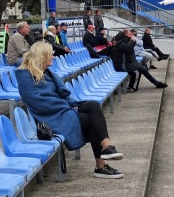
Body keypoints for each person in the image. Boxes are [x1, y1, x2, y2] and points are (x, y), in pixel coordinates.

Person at [16, 42, 124, 179]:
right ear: (42, 56)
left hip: (62, 109)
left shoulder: (46, 71)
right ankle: (101, 165)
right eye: (51, 54)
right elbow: (39, 103)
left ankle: (106, 146)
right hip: (51, 118)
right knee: (90, 120)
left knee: (93, 106)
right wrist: (66, 107)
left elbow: (59, 95)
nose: (54, 57)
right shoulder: (25, 76)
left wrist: (67, 105)